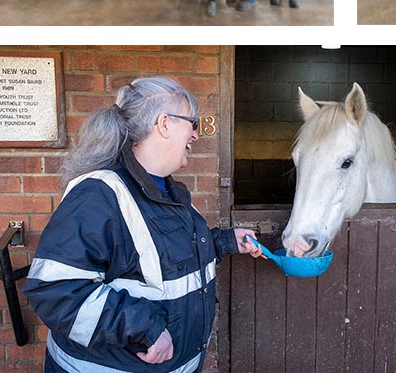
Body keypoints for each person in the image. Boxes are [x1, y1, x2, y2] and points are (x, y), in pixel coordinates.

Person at [24, 77, 262, 373]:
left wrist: (225, 241)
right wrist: (145, 328)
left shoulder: (167, 191)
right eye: (193, 123)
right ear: (165, 124)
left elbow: (165, 260)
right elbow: (55, 290)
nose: (196, 135)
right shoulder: (99, 194)